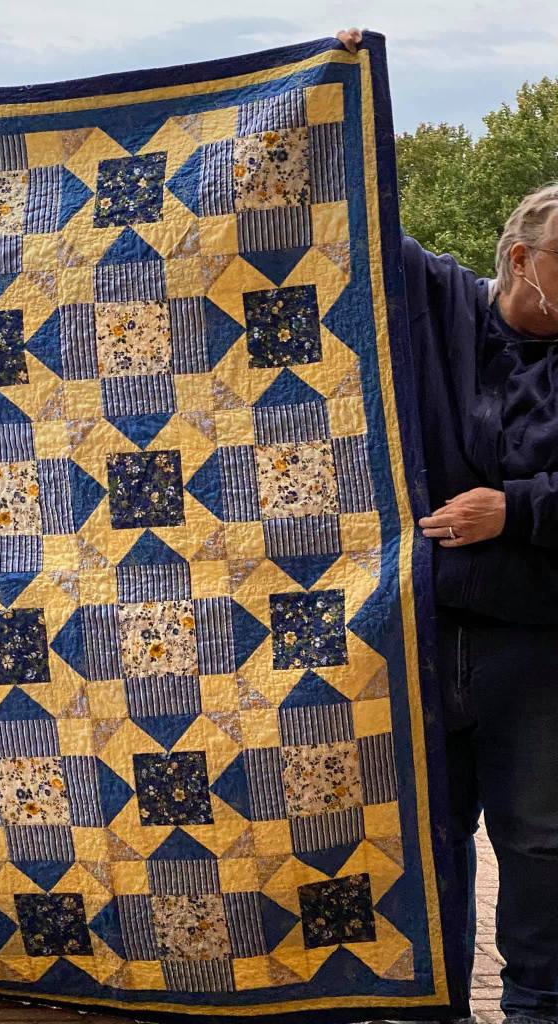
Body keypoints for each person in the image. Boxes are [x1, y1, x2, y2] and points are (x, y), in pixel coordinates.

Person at [336, 27, 558, 1024]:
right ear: (522, 257)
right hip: (421, 632)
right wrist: (341, 86)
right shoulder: (440, 306)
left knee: (540, 840)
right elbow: (354, 213)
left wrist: (518, 508)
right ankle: (433, 1009)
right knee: (425, 840)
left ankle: (540, 1006)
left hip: (534, 640)